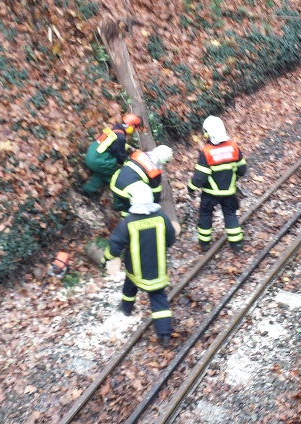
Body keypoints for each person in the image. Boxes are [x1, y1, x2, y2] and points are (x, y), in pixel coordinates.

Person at [102, 181, 179, 348]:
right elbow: (171, 238)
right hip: (156, 268)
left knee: (129, 287)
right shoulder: (161, 218)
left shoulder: (128, 223)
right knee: (158, 299)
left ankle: (126, 308)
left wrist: (107, 258)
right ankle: (164, 334)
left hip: (134, 269)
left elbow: (115, 245)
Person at [187, 116, 247, 252]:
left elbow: (200, 177)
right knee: (230, 215)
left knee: (205, 215)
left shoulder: (207, 152)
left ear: (207, 133)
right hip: (229, 191)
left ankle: (204, 243)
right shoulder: (234, 147)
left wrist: (191, 188)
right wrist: (232, 178)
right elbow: (242, 170)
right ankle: (237, 244)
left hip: (210, 194)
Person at [82, 113, 143, 197]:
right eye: (134, 128)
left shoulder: (114, 128)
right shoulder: (121, 137)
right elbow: (120, 156)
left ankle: (87, 189)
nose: (133, 131)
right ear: (130, 127)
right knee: (115, 172)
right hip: (97, 159)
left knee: (104, 171)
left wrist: (129, 148)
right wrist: (129, 164)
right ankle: (118, 196)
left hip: (91, 153)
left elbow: (112, 144)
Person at [110, 145, 174, 216]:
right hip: (126, 191)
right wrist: (153, 204)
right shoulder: (154, 171)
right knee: (128, 207)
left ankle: (116, 207)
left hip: (115, 180)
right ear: (164, 161)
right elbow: (156, 191)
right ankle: (126, 220)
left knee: (120, 199)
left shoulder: (140, 155)